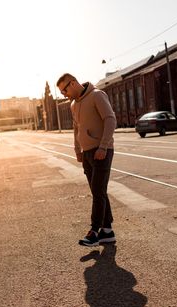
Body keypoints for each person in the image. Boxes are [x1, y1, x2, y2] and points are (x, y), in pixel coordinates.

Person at [56, 73, 117, 247]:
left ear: (73, 83)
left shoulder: (97, 95)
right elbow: (76, 129)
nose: (64, 94)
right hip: (87, 153)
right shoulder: (73, 105)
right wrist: (77, 150)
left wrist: (103, 146)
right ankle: (107, 231)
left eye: (64, 90)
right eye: (61, 92)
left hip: (101, 151)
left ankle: (94, 231)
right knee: (99, 192)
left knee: (98, 191)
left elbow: (110, 119)